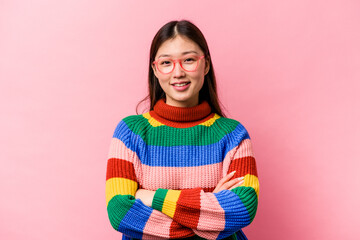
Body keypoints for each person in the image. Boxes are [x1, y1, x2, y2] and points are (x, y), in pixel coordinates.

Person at [105, 20, 259, 240]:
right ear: (155, 70)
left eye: (188, 60)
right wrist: (209, 205)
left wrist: (150, 196)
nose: (177, 72)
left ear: (205, 65)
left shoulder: (233, 135)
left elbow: (242, 209)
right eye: (166, 63)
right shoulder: (130, 133)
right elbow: (120, 213)